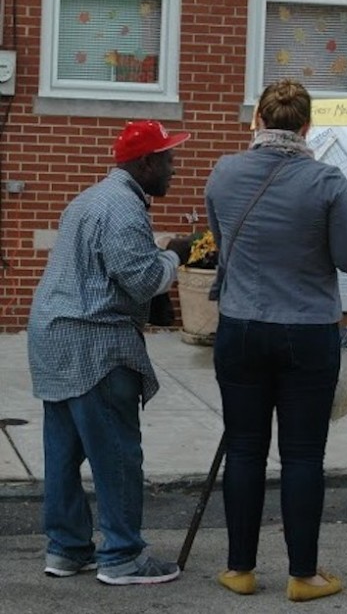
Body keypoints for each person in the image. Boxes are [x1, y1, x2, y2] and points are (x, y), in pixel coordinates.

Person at [205, 79, 347, 602]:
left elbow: (222, 242)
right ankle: (303, 575)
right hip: (305, 330)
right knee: (302, 457)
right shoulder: (327, 180)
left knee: (245, 449)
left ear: (257, 120)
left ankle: (240, 570)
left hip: (240, 326)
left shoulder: (225, 173)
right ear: (307, 126)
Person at [27, 120, 194, 586]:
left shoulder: (91, 198)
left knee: (64, 450)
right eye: (167, 158)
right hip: (93, 341)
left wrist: (156, 255)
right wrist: (176, 255)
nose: (173, 168)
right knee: (116, 451)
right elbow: (141, 281)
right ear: (144, 163)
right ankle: (121, 556)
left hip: (54, 335)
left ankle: (66, 549)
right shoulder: (122, 206)